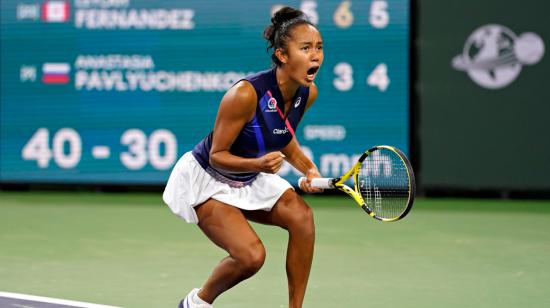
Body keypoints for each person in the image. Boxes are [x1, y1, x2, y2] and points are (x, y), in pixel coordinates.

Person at [162, 6, 324, 308]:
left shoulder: (307, 92)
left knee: (302, 217)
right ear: (282, 56)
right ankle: (196, 303)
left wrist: (309, 168)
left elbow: (283, 137)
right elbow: (217, 156)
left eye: (319, 47)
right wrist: (259, 165)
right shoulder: (246, 94)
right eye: (305, 48)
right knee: (251, 257)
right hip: (207, 178)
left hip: (247, 177)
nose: (315, 55)